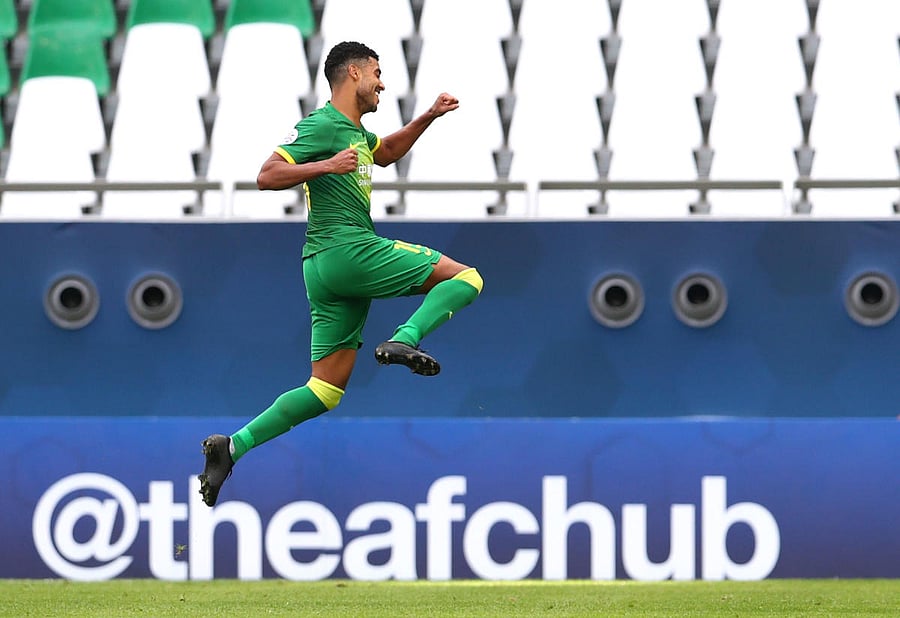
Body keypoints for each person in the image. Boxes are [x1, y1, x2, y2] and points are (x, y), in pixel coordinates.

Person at [197, 41, 483, 507]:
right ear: (352, 74)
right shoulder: (323, 127)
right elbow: (266, 176)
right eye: (376, 72)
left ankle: (232, 446)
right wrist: (326, 165)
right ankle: (406, 338)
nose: (382, 83)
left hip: (322, 269)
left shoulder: (356, 133)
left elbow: (386, 151)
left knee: (325, 389)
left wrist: (428, 116)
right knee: (467, 279)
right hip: (348, 248)